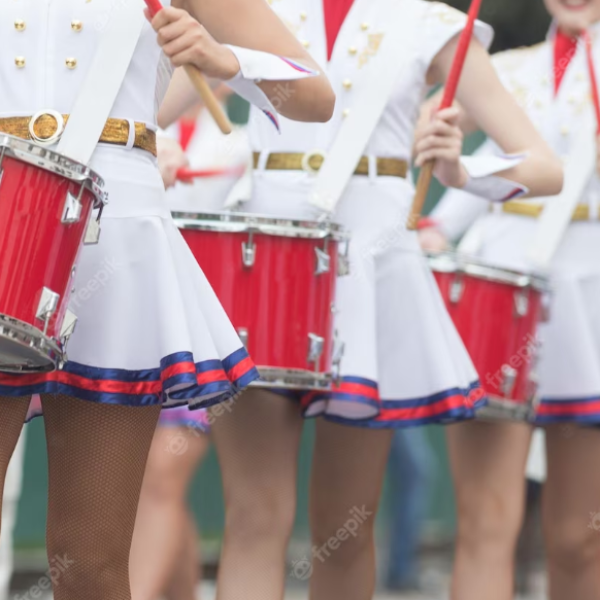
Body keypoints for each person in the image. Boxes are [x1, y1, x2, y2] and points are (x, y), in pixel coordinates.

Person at [158, 1, 563, 598]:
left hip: (372, 270)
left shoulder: (432, 25)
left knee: (345, 529)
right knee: (253, 517)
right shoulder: (252, 9)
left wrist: (459, 169)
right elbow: (142, 108)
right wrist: (152, 141)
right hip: (263, 263)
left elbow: (544, 167)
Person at [0, 3, 334, 600]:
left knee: (88, 559)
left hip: (119, 227)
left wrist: (221, 58)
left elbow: (314, 95)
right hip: (6, 217)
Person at [418, 1, 600, 598]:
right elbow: (458, 161)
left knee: (581, 537)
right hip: (497, 287)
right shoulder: (506, 68)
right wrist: (436, 224)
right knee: (485, 524)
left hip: (591, 293)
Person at [130, 98, 250, 600]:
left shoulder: (243, 141)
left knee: (161, 472)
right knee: (144, 481)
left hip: (202, 330)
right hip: (131, 316)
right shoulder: (131, 108)